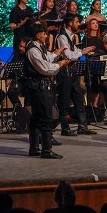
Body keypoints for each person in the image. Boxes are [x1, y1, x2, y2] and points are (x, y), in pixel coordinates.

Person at [24, 23, 69, 158]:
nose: (46, 36)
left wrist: (57, 53)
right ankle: (46, 150)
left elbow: (46, 58)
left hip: (39, 85)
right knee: (45, 117)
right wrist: (59, 64)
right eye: (44, 34)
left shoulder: (38, 47)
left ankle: (34, 148)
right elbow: (45, 68)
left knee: (37, 117)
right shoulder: (33, 50)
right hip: (38, 86)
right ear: (38, 35)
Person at [56, 13, 97, 136]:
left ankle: (82, 126)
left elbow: (74, 50)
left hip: (73, 71)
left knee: (78, 97)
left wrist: (85, 50)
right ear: (70, 23)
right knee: (65, 99)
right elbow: (68, 55)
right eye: (77, 22)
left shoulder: (71, 36)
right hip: (65, 72)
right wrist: (82, 52)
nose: (78, 24)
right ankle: (65, 128)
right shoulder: (62, 37)